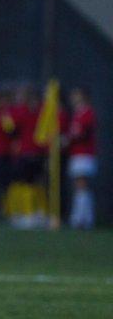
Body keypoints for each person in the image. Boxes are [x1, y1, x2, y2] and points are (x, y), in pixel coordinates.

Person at [67, 87, 96, 229]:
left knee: (82, 185)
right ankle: (83, 218)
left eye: (76, 95)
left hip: (84, 154)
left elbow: (82, 134)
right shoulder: (77, 114)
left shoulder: (88, 113)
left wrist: (69, 139)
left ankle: (81, 219)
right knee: (79, 187)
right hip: (76, 153)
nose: (73, 98)